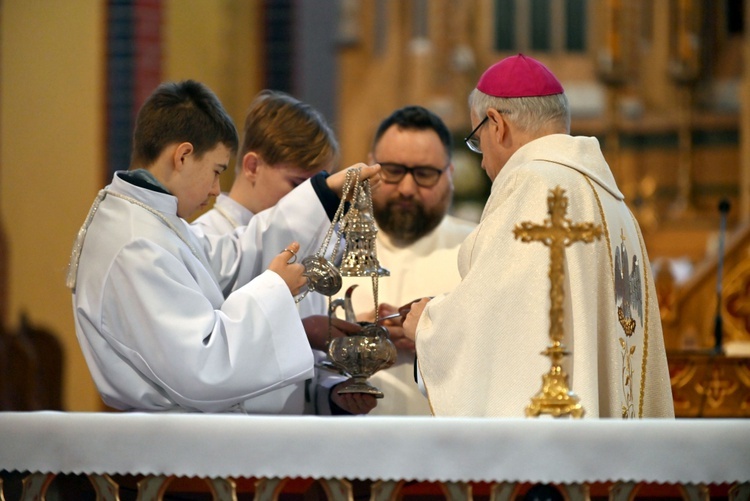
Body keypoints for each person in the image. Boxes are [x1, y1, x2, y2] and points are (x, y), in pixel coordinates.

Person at [67, 79, 377, 415]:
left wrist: (325, 195)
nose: (217, 189)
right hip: (173, 447)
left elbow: (233, 256)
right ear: (183, 156)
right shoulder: (136, 243)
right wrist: (275, 289)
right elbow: (203, 367)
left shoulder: (154, 223)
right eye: (216, 171)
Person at [402, 54, 675, 418]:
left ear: (497, 124)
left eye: (477, 140)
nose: (482, 161)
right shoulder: (613, 203)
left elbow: (505, 331)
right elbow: (526, 309)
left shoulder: (533, 188)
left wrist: (428, 326)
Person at [192, 89, 361, 414]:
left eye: (313, 189)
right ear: (253, 166)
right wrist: (302, 331)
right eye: (298, 186)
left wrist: (334, 394)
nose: (306, 202)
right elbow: (203, 358)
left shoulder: (307, 246)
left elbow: (308, 370)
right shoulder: (206, 241)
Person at [337, 105, 476, 415]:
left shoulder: (479, 249)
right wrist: (349, 334)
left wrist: (433, 340)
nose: (407, 188)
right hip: (349, 447)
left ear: (450, 174)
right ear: (371, 167)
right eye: (394, 171)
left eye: (425, 174)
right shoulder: (334, 247)